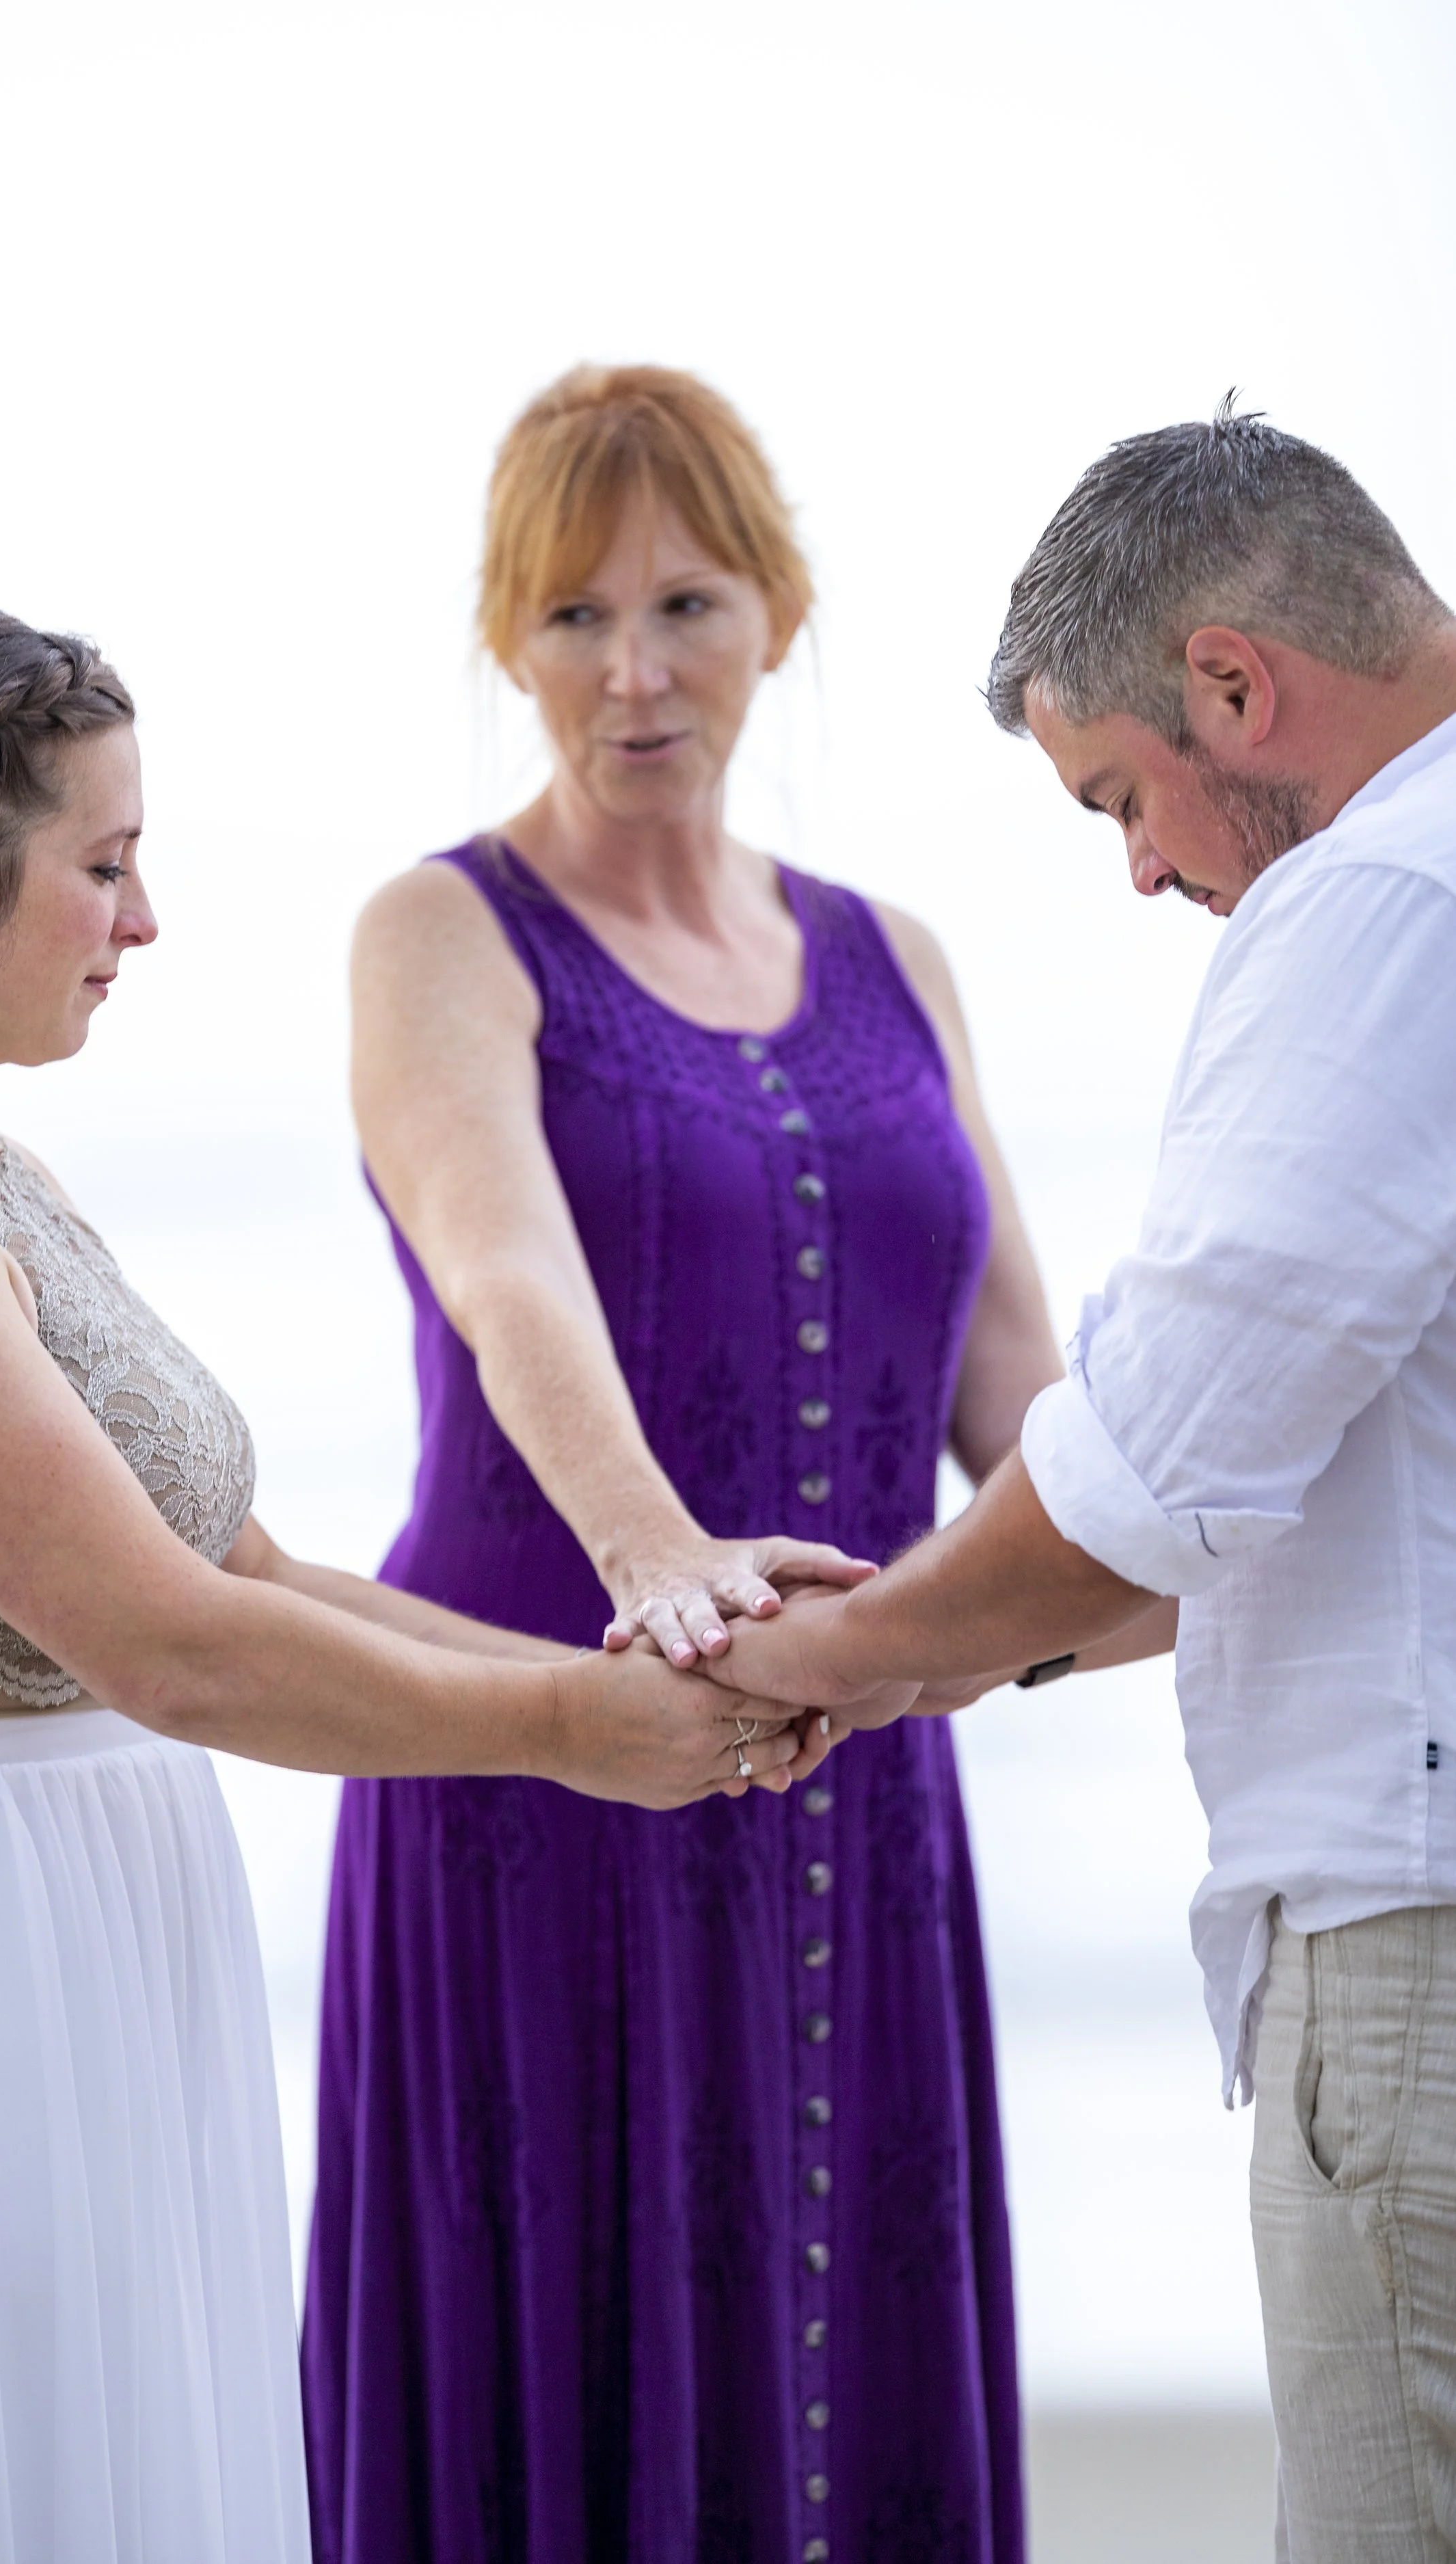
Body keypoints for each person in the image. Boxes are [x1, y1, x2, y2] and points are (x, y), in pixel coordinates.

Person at [0, 596, 803, 2564]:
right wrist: (585, 1734)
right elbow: (172, 1646)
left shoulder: (4, 1184)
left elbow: (256, 1569)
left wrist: (666, 1646)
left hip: (102, 1918)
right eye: (105, 863)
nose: (142, 922)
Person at [304, 363, 1080, 2563]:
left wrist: (1125, 1582)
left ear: (782, 611)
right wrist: (668, 1577)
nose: (630, 670)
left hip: (862, 1770)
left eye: (683, 601)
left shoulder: (891, 957)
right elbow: (503, 1272)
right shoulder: (438, 929)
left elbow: (1020, 1402)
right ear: (502, 640)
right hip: (549, 1750)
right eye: (568, 616)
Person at [707, 403, 1456, 2564]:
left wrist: (847, 1652)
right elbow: (1283, 1455)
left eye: (1123, 793)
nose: (1141, 867)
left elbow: (1168, 1450)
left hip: (1414, 1931)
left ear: (1233, 682)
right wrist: (971, 1640)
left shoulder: (1370, 903)